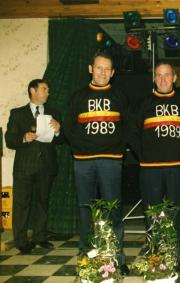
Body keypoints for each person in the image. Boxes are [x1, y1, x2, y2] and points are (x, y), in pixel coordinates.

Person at [64, 52, 130, 275]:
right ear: (90, 69)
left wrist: (117, 150)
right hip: (83, 162)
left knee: (113, 210)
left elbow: (128, 127)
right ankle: (85, 256)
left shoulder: (120, 96)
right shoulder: (77, 97)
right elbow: (68, 127)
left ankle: (118, 257)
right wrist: (81, 148)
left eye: (107, 69)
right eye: (98, 68)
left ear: (113, 73)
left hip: (111, 161)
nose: (102, 72)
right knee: (86, 210)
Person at [134, 62, 180, 276]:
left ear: (174, 77)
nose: (163, 79)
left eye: (167, 75)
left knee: (177, 215)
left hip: (177, 168)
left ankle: (178, 259)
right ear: (154, 79)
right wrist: (144, 154)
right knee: (152, 216)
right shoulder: (144, 103)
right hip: (150, 169)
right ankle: (155, 256)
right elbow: (133, 131)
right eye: (159, 75)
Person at [5, 79, 62, 254]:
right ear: (33, 90)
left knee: (42, 203)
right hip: (24, 167)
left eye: (48, 89)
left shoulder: (54, 113)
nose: (48, 93)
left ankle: (40, 237)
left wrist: (59, 130)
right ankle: (21, 241)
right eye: (44, 89)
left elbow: (61, 139)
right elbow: (9, 140)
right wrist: (23, 137)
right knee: (21, 204)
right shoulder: (18, 113)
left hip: (46, 165)